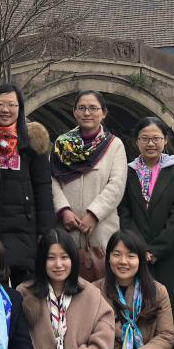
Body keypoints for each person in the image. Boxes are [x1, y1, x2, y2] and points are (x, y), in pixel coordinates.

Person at [117, 117, 174, 349]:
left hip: (169, 253)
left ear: (165, 140)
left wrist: (156, 249)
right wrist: (139, 249)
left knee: (172, 306)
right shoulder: (129, 172)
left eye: (156, 138)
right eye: (145, 138)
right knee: (137, 304)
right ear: (136, 141)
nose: (151, 143)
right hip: (136, 253)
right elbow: (125, 212)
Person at [0, 84, 54, 285]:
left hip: (24, 226)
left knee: (25, 287)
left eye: (12, 105)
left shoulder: (33, 142)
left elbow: (43, 187)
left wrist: (45, 230)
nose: (5, 110)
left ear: (20, 108)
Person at [51, 90, 128, 260]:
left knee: (102, 273)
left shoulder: (114, 145)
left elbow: (116, 185)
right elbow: (52, 180)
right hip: (67, 228)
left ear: (104, 113)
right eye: (82, 108)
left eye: (93, 108)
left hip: (101, 230)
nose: (87, 113)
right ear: (74, 112)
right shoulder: (61, 143)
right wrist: (63, 210)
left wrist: (94, 214)